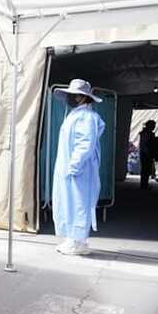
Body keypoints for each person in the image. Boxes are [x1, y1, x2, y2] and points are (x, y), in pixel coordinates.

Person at [52, 79, 105, 255]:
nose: (71, 98)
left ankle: (77, 241)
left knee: (79, 204)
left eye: (74, 95)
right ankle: (74, 240)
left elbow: (85, 144)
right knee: (71, 203)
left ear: (82, 97)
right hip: (73, 169)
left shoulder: (86, 117)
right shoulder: (77, 115)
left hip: (79, 170)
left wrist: (74, 166)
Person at [138, 120, 158, 189]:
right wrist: (147, 152)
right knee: (145, 170)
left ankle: (144, 184)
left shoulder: (147, 133)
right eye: (153, 126)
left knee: (147, 170)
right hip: (145, 153)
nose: (154, 127)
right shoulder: (146, 134)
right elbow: (144, 144)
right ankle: (144, 184)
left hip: (147, 153)